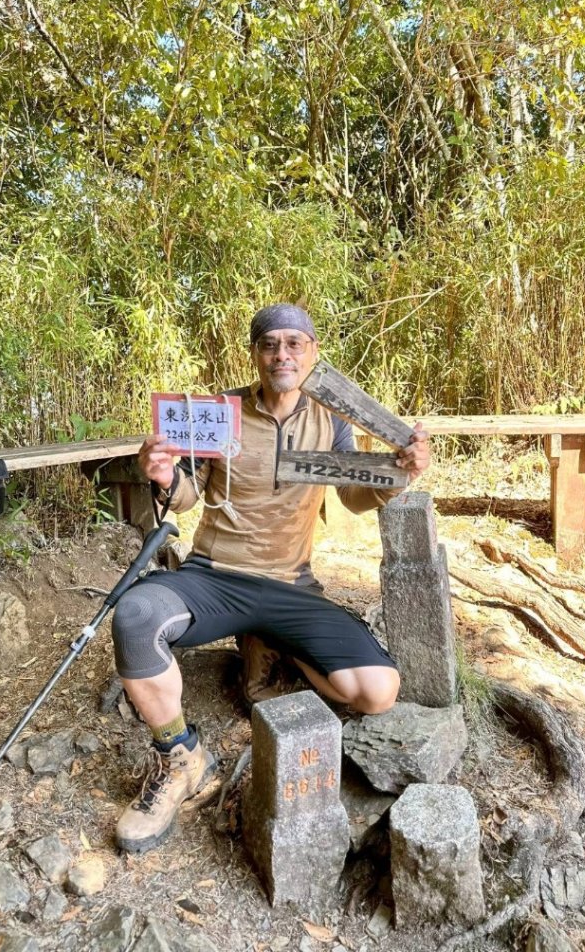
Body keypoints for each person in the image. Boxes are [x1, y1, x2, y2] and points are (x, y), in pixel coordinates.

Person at [111, 303, 430, 853]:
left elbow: (353, 494)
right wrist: (164, 476)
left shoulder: (329, 418)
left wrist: (396, 474)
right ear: (256, 353)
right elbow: (187, 494)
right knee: (136, 617)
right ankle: (180, 757)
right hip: (216, 575)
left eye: (294, 343)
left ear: (312, 353)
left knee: (378, 690)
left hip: (291, 582)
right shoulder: (221, 413)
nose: (282, 354)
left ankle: (282, 649)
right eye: (270, 344)